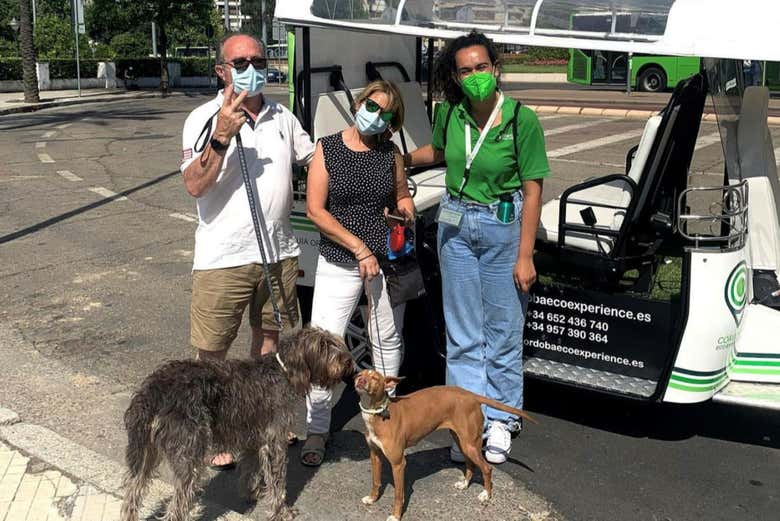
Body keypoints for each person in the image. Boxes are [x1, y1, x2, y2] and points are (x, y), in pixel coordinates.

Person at [404, 31, 550, 464]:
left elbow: (533, 187)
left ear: (496, 68)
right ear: (456, 75)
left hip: (503, 227)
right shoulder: (450, 112)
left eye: (481, 67)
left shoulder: (521, 119)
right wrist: (402, 158)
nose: (474, 77)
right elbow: (442, 150)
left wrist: (526, 254)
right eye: (465, 70)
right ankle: (467, 423)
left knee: (503, 330)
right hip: (456, 226)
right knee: (463, 335)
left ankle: (502, 421)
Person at [179, 33, 315, 469]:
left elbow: (314, 160)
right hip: (224, 257)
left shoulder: (281, 115)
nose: (251, 68)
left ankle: (259, 419)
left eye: (258, 59)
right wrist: (221, 136)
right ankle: (214, 430)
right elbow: (194, 185)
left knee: (270, 343)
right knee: (212, 352)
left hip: (278, 252)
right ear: (222, 70)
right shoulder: (202, 118)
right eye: (240, 62)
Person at [302, 80, 414, 466]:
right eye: (372, 106)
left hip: (383, 264)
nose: (376, 117)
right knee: (323, 349)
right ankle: (317, 428)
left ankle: (384, 418)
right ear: (358, 102)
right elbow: (316, 211)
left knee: (386, 342)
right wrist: (359, 247)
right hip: (339, 262)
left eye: (386, 114)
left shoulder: (390, 153)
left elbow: (401, 193)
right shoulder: (328, 148)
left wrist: (405, 206)